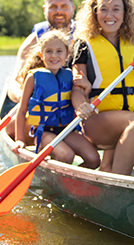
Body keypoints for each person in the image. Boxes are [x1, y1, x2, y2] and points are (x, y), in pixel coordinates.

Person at [71, 0, 134, 177]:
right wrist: (81, 106)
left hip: (130, 117)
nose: (109, 15)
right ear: (95, 12)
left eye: (116, 9)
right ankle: (120, 182)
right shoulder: (84, 45)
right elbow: (77, 86)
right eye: (103, 9)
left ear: (125, 13)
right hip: (97, 120)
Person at [13, 30, 100, 168]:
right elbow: (22, 110)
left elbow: (82, 104)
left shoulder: (70, 76)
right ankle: (58, 183)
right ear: (41, 55)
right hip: (44, 132)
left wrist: (87, 88)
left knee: (94, 159)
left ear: (67, 55)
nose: (54, 56)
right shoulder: (33, 77)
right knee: (67, 155)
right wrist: (19, 140)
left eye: (59, 51)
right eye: (48, 51)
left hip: (68, 130)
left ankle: (72, 182)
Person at [2, 0, 78, 145]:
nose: (59, 11)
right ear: (45, 9)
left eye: (64, 6)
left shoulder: (83, 37)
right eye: (53, 7)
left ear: (72, 9)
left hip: (72, 107)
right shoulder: (33, 40)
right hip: (43, 109)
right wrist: (31, 100)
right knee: (10, 128)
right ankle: (39, 141)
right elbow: (14, 85)